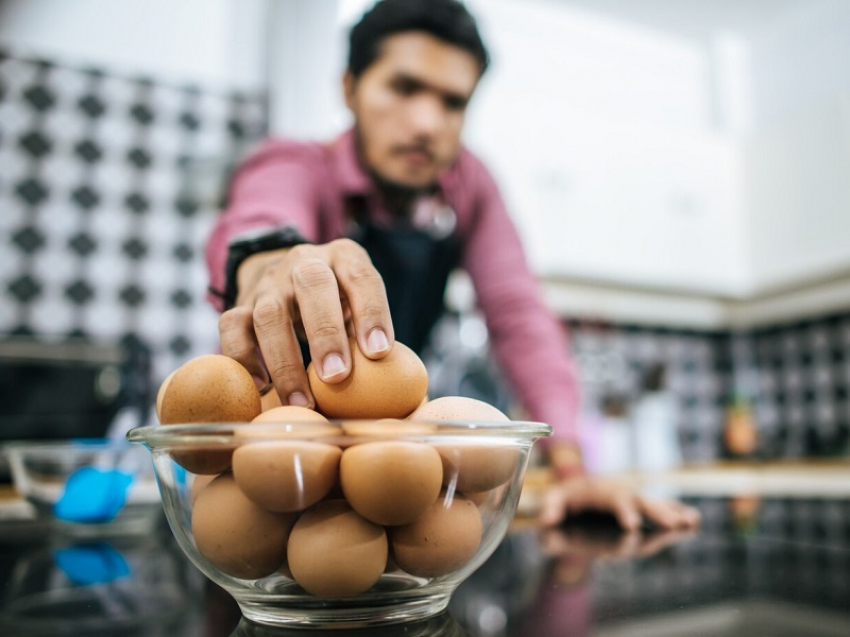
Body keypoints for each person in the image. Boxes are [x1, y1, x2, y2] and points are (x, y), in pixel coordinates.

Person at [205, 0, 699, 530]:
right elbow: (259, 223)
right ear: (349, 88)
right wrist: (269, 264)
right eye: (403, 88)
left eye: (452, 102)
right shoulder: (297, 163)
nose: (425, 123)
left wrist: (572, 466)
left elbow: (519, 315)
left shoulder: (470, 187)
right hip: (276, 462)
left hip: (385, 468)